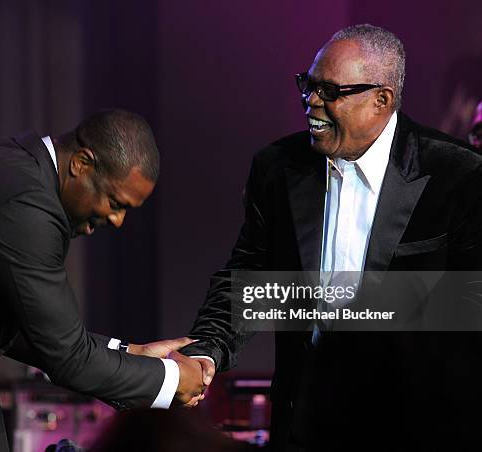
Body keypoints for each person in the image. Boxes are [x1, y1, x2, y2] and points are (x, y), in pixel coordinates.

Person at [180, 24, 482, 450]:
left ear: (382, 100)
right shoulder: (278, 167)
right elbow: (249, 278)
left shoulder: (459, 173)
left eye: (329, 90)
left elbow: (471, 303)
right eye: (308, 84)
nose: (311, 100)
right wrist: (205, 352)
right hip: (305, 420)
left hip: (417, 422)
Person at [0, 109, 205, 451]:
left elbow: (26, 327)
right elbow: (69, 357)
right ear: (82, 164)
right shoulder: (26, 200)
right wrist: (173, 380)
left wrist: (134, 353)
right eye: (115, 202)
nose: (118, 220)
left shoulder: (6, 163)